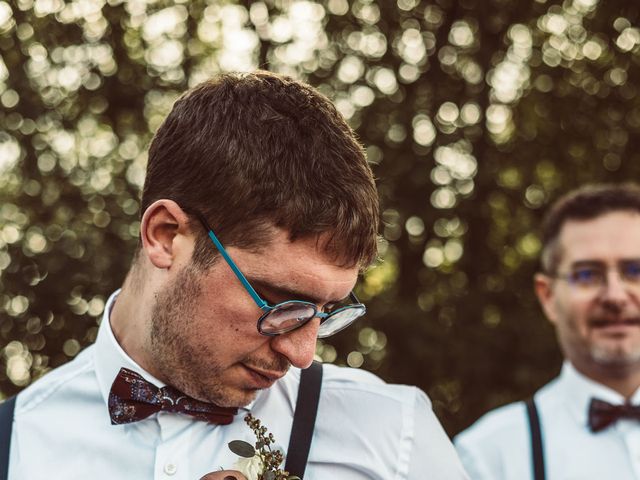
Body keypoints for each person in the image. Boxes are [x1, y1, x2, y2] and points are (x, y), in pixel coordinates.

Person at [2, 71, 468, 480]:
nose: (303, 354)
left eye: (325, 312)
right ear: (165, 236)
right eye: (280, 301)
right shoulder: (16, 445)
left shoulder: (395, 434)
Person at [455, 183, 640, 480]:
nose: (615, 296)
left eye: (635, 271)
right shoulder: (487, 456)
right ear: (548, 297)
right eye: (588, 274)